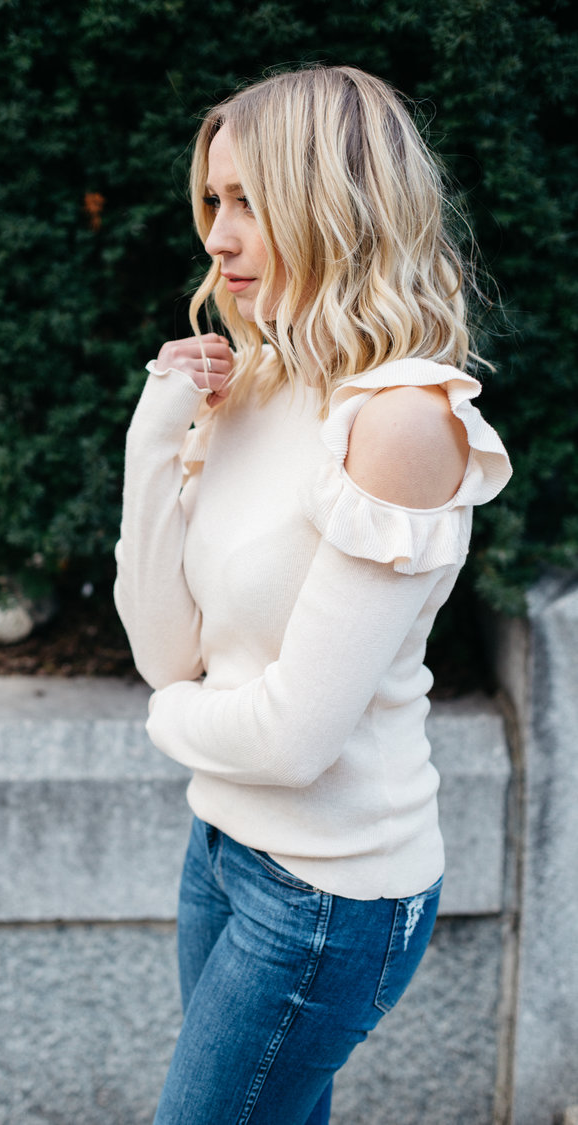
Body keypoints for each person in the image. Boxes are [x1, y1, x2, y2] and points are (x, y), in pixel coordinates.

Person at [114, 65, 511, 1125]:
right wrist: (154, 436)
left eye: (250, 201)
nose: (218, 237)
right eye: (213, 201)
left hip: (330, 894)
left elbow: (294, 740)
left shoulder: (403, 420)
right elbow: (167, 649)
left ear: (332, 205)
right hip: (218, 847)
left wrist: (166, 720)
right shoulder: (258, 379)